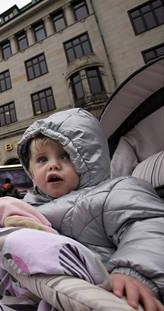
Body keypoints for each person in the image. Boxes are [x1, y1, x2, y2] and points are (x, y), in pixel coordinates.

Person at [16, 108, 164, 310]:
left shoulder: (115, 192)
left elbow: (149, 227)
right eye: (42, 159)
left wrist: (134, 272)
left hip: (100, 291)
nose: (53, 166)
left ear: (90, 159)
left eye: (66, 156)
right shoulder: (28, 206)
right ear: (31, 170)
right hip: (40, 291)